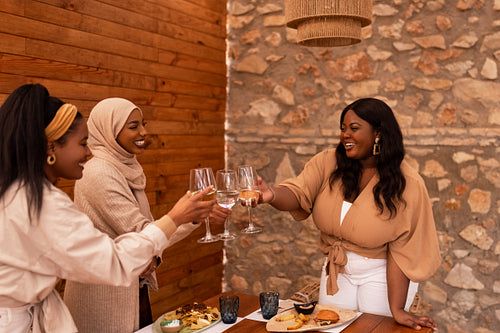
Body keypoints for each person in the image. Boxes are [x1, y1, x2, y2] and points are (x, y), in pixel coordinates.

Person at [0, 84, 216, 333]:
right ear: (51, 147)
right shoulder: (47, 201)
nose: (89, 151)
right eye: (82, 143)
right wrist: (176, 218)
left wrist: (185, 218)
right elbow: (116, 261)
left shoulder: (18, 191)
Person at [256, 98, 441, 331]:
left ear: (378, 133)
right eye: (343, 129)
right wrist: (271, 194)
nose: (345, 135)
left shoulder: (407, 184)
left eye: (354, 128)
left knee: (373, 329)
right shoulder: (328, 163)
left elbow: (403, 249)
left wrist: (397, 309)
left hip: (381, 274)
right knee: (328, 328)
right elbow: (297, 192)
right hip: (338, 269)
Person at [63, 98, 229, 332]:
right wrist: (183, 217)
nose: (144, 132)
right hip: (104, 297)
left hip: (130, 289)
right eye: (133, 126)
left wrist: (193, 216)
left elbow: (148, 234)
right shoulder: (98, 172)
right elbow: (142, 234)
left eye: (143, 123)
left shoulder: (125, 167)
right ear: (109, 130)